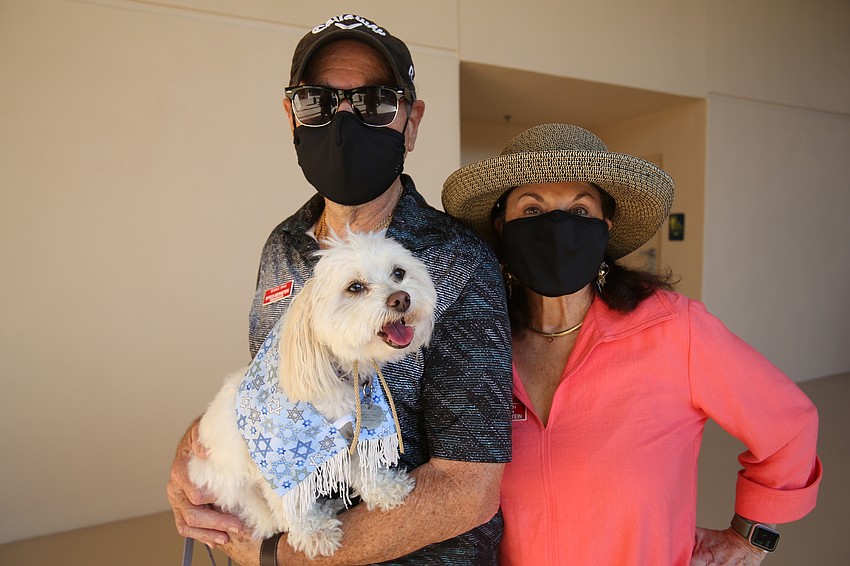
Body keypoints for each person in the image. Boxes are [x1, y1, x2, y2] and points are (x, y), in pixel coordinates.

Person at [166, 14, 513, 566]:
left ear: (412, 121)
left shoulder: (458, 261)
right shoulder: (282, 245)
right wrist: (190, 457)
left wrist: (284, 558)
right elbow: (269, 389)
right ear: (292, 117)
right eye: (318, 101)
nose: (343, 119)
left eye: (374, 101)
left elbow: (468, 489)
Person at [441, 123, 822, 565]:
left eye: (579, 212)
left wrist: (748, 537)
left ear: (606, 227)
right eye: (532, 209)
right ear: (501, 225)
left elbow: (789, 426)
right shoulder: (478, 345)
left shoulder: (674, 328)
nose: (557, 228)